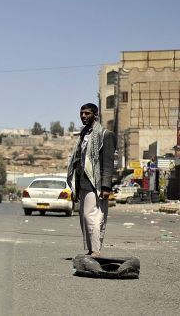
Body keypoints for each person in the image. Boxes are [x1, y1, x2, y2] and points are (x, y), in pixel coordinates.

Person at [66, 103, 115, 258]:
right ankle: (90, 248)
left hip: (97, 183)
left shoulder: (105, 135)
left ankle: (96, 250)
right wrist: (76, 184)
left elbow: (107, 162)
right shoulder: (83, 135)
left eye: (87, 113)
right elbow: (79, 161)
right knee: (83, 217)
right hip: (83, 182)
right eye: (81, 113)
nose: (83, 116)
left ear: (95, 114)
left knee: (91, 216)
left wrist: (106, 186)